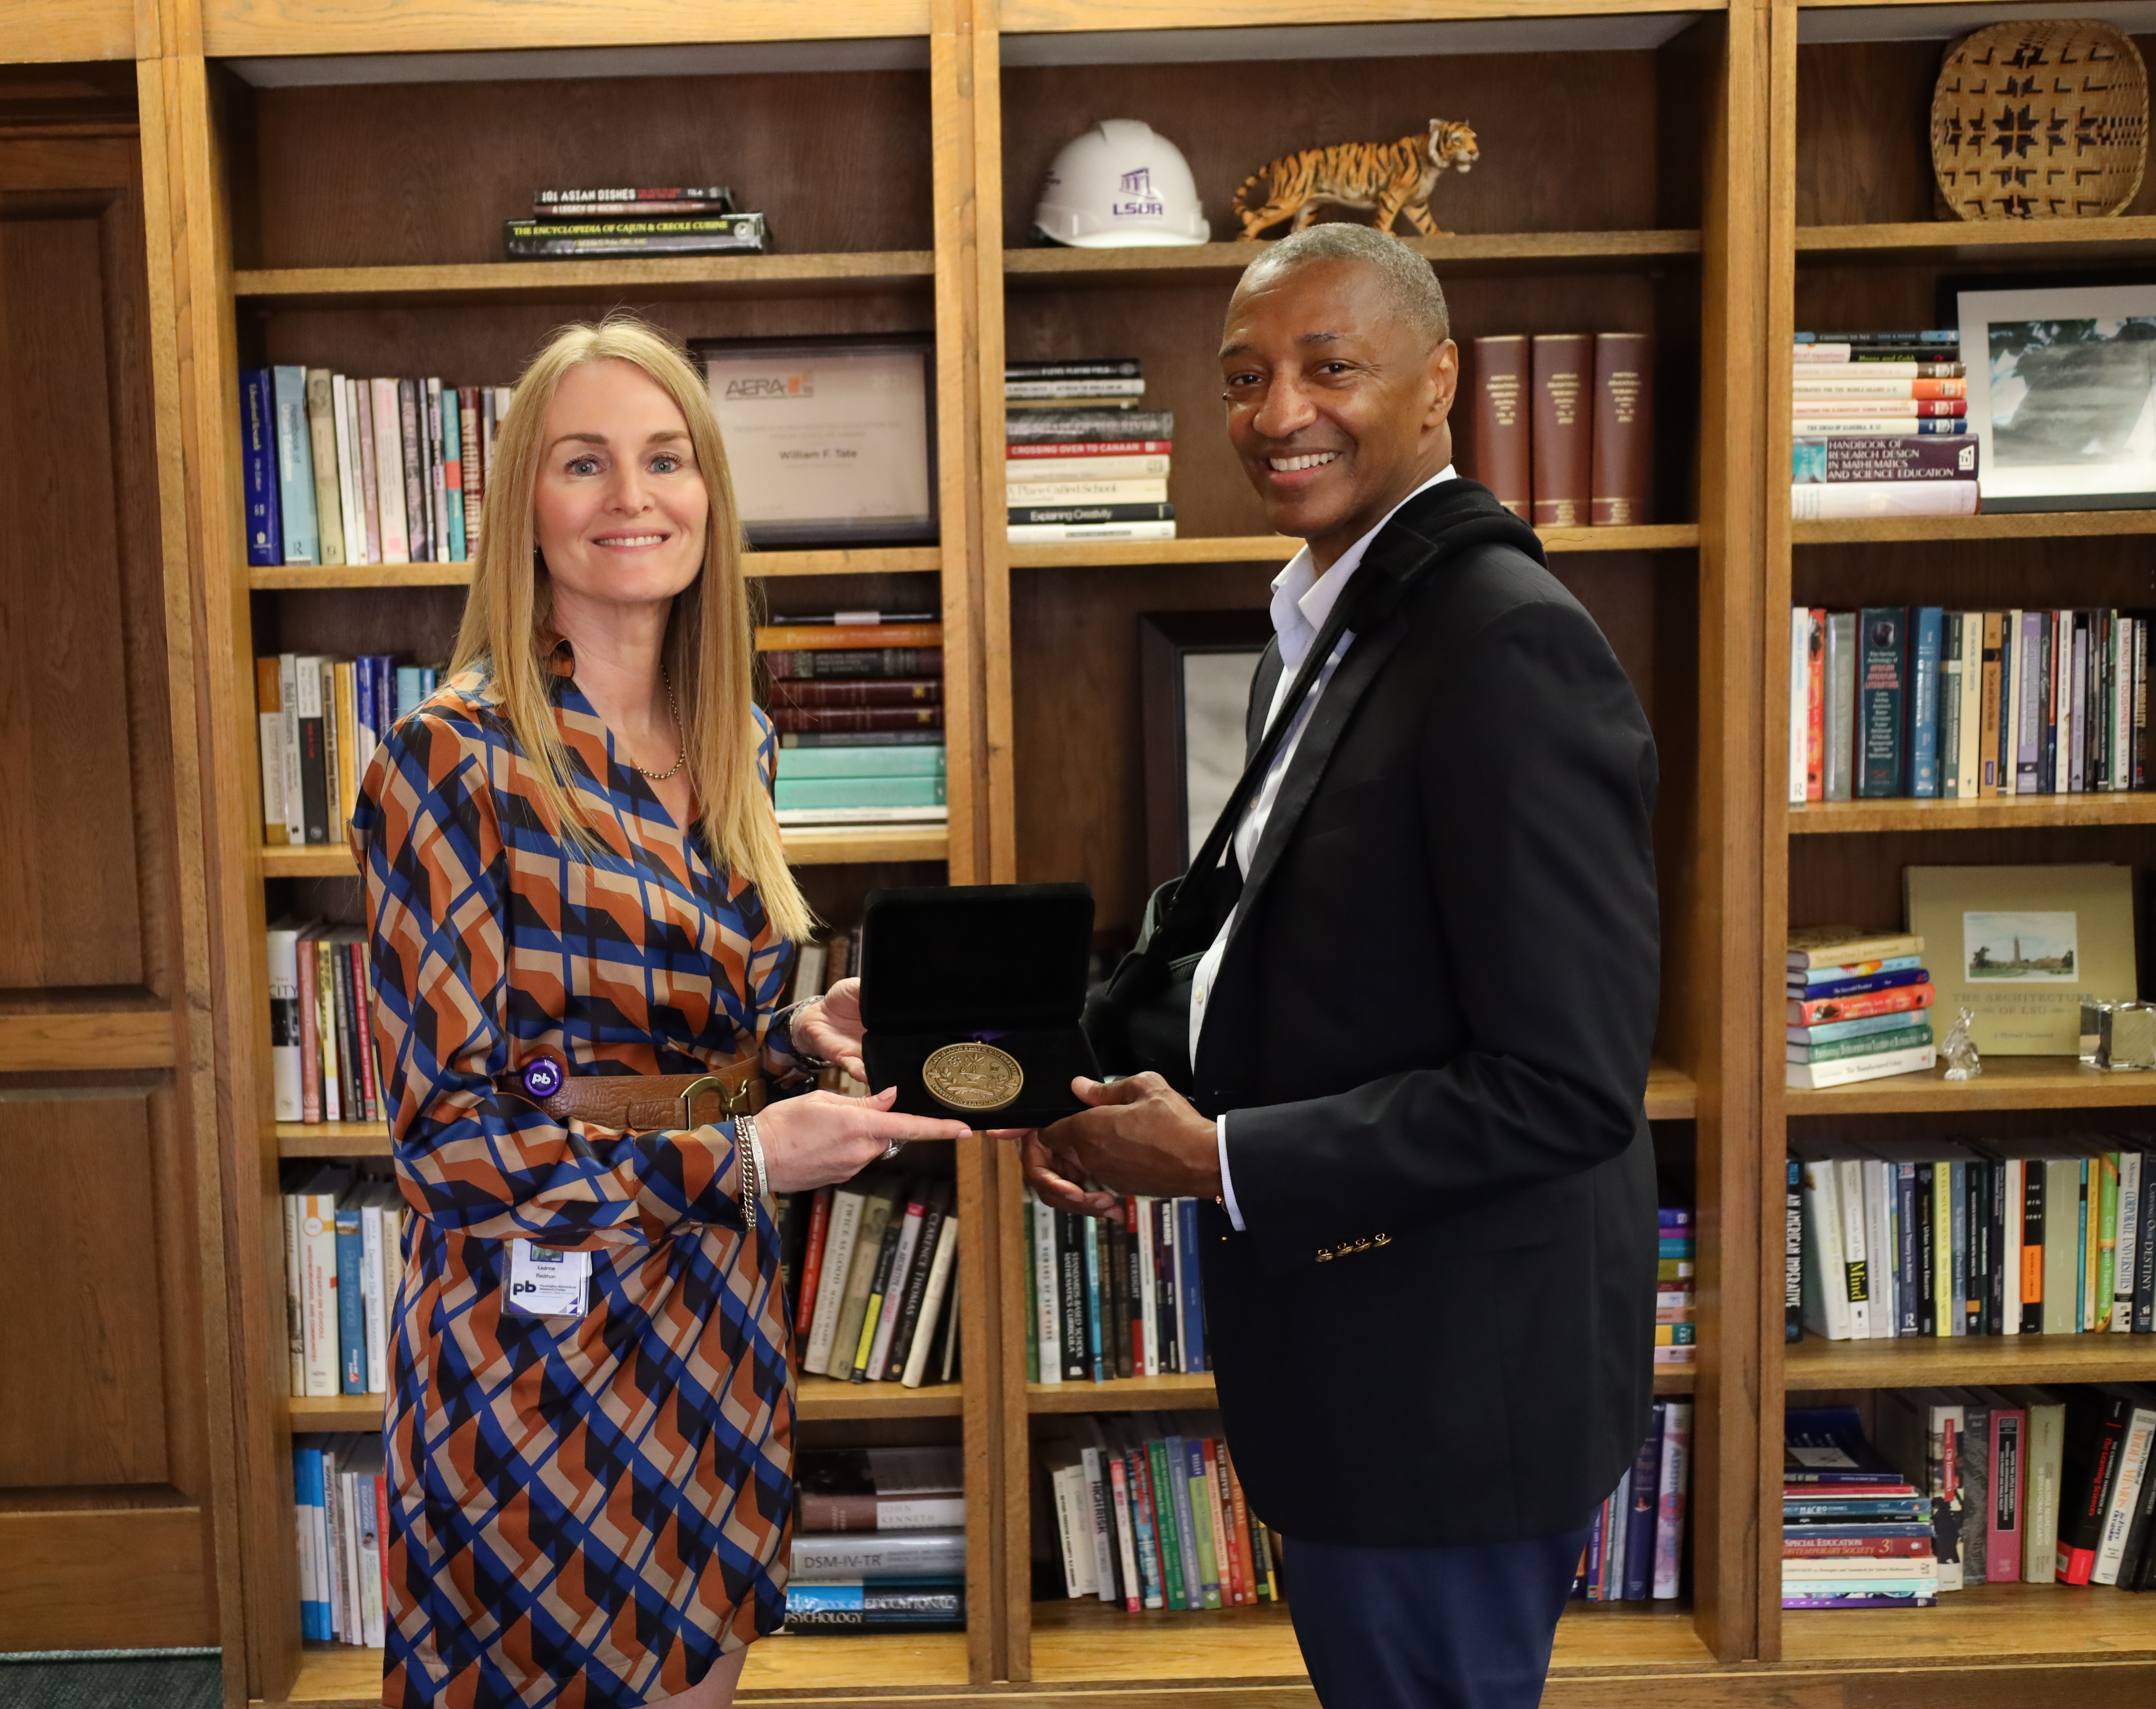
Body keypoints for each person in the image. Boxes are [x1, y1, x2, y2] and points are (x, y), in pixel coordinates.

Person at [1024, 224, 1661, 1709]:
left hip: (1451, 1400)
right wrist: (1024, 1051)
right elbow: (1246, 937)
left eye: (1330, 365)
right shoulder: (1325, 629)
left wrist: (1222, 1157)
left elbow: (1567, 1088)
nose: (1276, 411)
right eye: (1246, 376)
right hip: (1363, 1381)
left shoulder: (1507, 648)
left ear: (1439, 384)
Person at [353, 313, 966, 1709]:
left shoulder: (737, 734)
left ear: (710, 497)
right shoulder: (449, 759)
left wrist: (791, 1044)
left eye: (666, 459)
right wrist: (745, 1157)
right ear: (524, 504)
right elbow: (451, 1140)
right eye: (585, 463)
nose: (634, 499)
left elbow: (668, 1038)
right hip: (534, 1345)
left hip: (713, 1323)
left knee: (702, 1671)